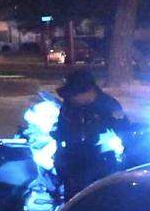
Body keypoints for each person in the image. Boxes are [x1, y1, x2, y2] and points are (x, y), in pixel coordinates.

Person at [52, 69, 129, 197]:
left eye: (74, 94)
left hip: (99, 162)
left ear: (89, 91)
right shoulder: (69, 105)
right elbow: (62, 128)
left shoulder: (107, 106)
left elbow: (125, 132)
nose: (71, 98)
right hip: (71, 160)